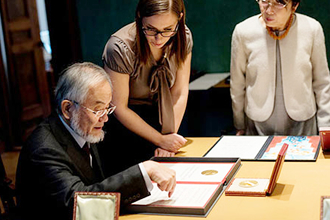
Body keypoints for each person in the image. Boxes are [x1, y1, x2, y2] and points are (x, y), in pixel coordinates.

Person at [15, 62, 176, 220]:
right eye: (98, 110)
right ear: (68, 109)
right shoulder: (43, 149)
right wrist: (144, 171)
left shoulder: (82, 126)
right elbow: (78, 205)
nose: (105, 118)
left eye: (107, 108)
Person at [100, 0, 193, 175]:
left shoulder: (183, 36)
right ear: (139, 18)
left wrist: (169, 137)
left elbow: (180, 92)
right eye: (150, 29)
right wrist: (160, 140)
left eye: (167, 30)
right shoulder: (120, 47)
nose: (159, 38)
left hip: (167, 119)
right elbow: (118, 107)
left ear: (180, 20)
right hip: (128, 127)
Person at [230, 0, 330, 136]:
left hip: (302, 120)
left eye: (279, 3)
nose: (269, 10)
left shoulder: (311, 29)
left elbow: (322, 82)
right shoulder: (244, 31)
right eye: (264, 1)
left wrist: (325, 125)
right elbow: (237, 83)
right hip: (257, 122)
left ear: (294, 6)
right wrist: (239, 124)